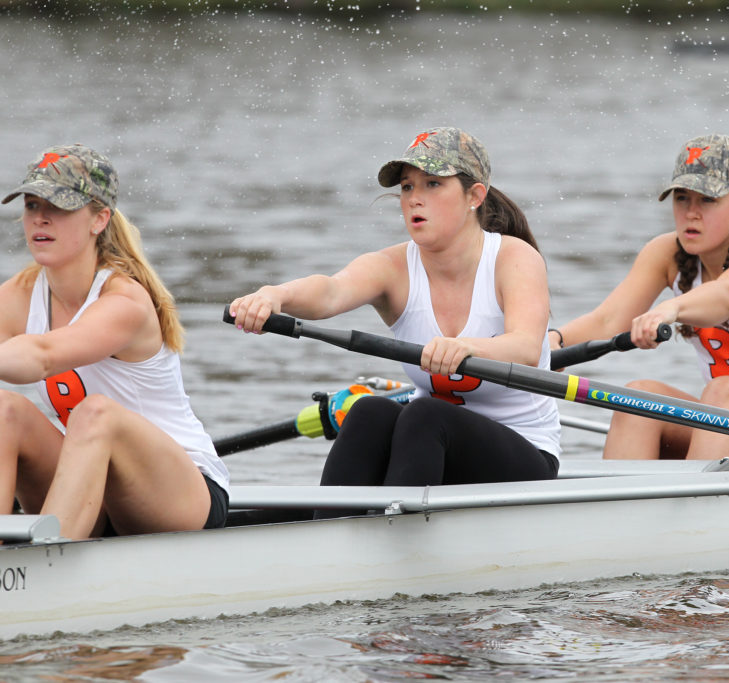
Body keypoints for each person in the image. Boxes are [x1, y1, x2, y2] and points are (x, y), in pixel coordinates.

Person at [229, 127, 560, 516]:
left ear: (475, 196)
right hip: (428, 454)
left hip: (523, 460)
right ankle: (329, 533)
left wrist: (469, 346)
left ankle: (394, 545)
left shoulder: (513, 259)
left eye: (433, 184)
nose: (414, 199)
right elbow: (331, 291)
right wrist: (274, 295)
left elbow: (523, 346)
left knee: (426, 414)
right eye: (406, 187)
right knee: (370, 411)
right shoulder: (394, 268)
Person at [548, 134, 729, 471]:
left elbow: (728, 296)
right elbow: (607, 321)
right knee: (636, 397)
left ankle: (704, 516)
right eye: (681, 198)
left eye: (707, 200)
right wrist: (552, 343)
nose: (691, 213)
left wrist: (671, 308)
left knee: (724, 393)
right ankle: (620, 516)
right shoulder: (665, 253)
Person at [0, 144, 229, 540]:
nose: (41, 219)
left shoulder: (125, 301)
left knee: (95, 414)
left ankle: (46, 568)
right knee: (6, 410)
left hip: (182, 493)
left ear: (99, 219)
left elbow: (41, 357)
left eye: (59, 207)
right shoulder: (16, 297)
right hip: (91, 487)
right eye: (33, 205)